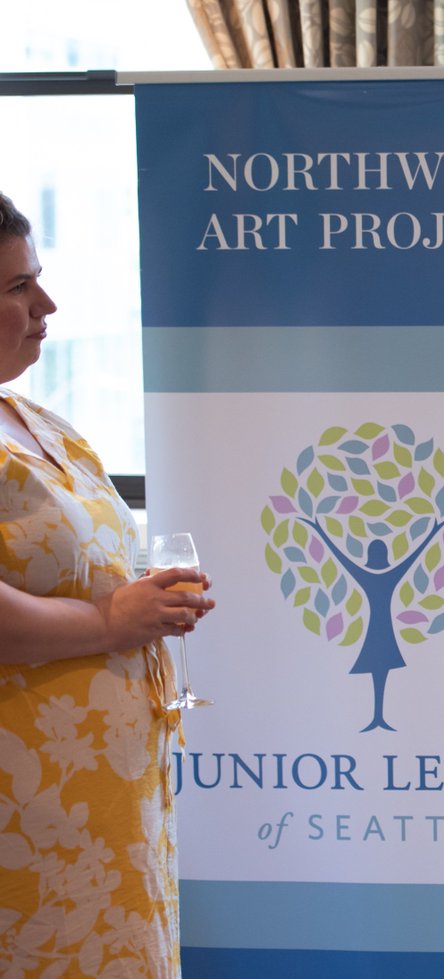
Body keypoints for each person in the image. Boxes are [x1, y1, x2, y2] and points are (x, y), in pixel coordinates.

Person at [0, 192, 214, 977]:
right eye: (17, 288)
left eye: (37, 279)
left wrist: (146, 596)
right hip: (23, 818)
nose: (45, 305)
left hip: (105, 813)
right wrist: (112, 622)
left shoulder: (38, 420)